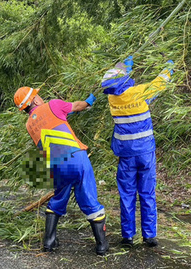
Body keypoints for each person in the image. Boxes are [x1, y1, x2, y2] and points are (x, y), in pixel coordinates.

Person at [13, 86, 109, 256]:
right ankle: (102, 246)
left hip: (56, 164)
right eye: (38, 95)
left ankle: (49, 242)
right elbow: (77, 106)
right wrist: (89, 101)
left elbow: (50, 124)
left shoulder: (29, 124)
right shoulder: (53, 105)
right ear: (35, 100)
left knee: (58, 198)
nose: (41, 97)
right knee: (89, 197)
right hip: (76, 157)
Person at [101, 56, 173, 247]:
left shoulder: (112, 99)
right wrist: (169, 68)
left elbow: (116, 80)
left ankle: (128, 236)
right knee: (147, 193)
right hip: (145, 153)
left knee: (127, 194)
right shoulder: (139, 93)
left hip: (126, 156)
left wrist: (123, 66)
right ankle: (149, 236)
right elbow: (159, 84)